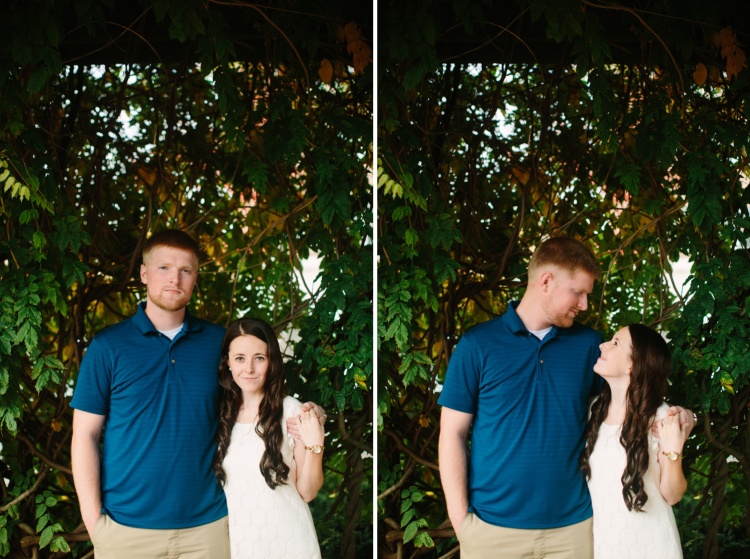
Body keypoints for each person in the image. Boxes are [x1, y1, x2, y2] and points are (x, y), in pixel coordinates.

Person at [70, 229, 323, 559]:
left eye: (185, 270)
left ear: (195, 278)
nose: (174, 279)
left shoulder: (219, 345)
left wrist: (309, 414)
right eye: (164, 268)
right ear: (144, 273)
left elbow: (256, 399)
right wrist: (95, 525)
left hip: (208, 531)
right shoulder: (108, 347)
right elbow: (84, 435)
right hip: (126, 531)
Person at [437, 237, 695, 559]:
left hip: (573, 533)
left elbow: (627, 401)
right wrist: (462, 524)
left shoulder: (589, 346)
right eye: (579, 292)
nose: (585, 304)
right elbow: (452, 434)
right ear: (546, 281)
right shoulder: (477, 346)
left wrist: (677, 415)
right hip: (493, 532)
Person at [213, 317, 324, 559]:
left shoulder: (290, 410)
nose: (249, 368)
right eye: (240, 358)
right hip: (241, 547)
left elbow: (308, 491)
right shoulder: (220, 416)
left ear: (271, 361)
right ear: (228, 362)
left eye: (259, 358)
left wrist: (316, 444)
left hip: (291, 545)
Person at [580, 324, 688, 559]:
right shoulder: (592, 411)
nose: (603, 345)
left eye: (616, 342)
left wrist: (673, 450)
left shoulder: (659, 416)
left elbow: (672, 495)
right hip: (603, 546)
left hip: (650, 546)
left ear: (633, 364)